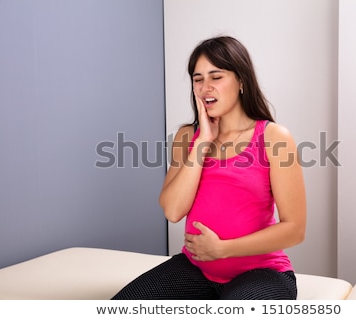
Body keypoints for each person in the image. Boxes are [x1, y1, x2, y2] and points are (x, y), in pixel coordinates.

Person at [111, 35, 306, 300]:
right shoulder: (187, 137)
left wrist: (223, 249)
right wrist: (202, 141)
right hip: (195, 268)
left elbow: (294, 229)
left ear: (241, 81)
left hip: (262, 272)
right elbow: (173, 210)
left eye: (216, 77)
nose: (205, 87)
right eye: (198, 78)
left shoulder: (274, 137)